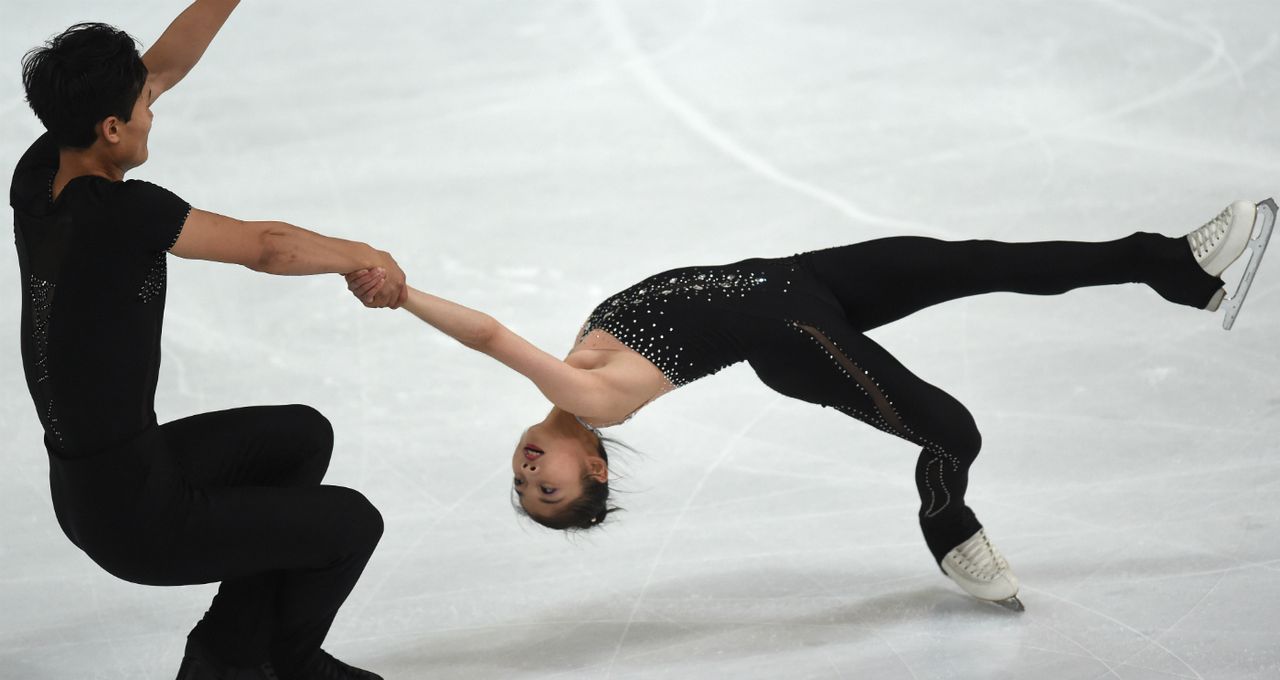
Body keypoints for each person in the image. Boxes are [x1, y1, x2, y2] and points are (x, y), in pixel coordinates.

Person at [347, 200, 1263, 610]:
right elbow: (488, 334)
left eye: (522, 483)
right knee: (953, 432)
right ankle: (949, 526)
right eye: (548, 493)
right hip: (790, 339)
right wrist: (406, 293)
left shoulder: (582, 353)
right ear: (593, 467)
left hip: (796, 280)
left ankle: (1171, 264)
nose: (526, 474)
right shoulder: (586, 393)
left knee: (973, 259)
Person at [12, 2, 406, 678]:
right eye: (142, 107)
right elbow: (267, 247)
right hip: (138, 519)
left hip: (100, 483)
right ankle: (291, 663)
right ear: (112, 128)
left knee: (300, 438)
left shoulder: (41, 170)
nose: (153, 108)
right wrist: (362, 254)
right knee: (349, 525)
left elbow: (158, 69)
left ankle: (222, 656)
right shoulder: (124, 216)